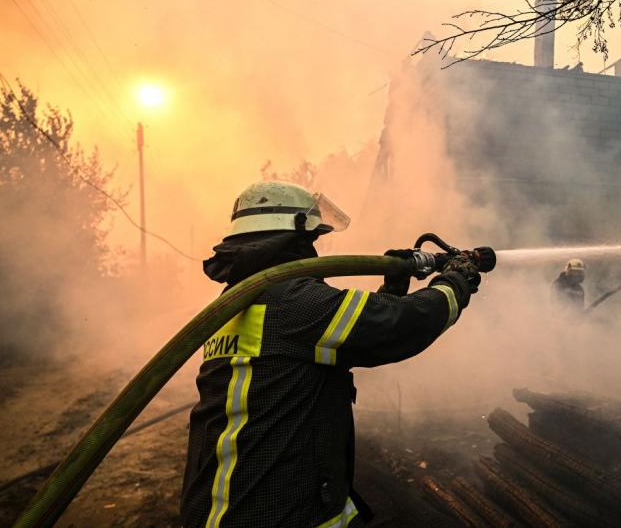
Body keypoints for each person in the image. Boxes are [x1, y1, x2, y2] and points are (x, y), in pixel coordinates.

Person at [181, 181, 482, 528]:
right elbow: (398, 327)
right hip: (273, 511)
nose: (315, 249)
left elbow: (345, 338)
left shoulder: (237, 302)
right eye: (311, 238)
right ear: (292, 237)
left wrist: (392, 288)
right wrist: (455, 282)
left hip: (231, 502)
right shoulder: (289, 301)